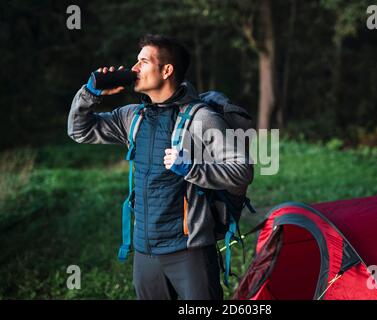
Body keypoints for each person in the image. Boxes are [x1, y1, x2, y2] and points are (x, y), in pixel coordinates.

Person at [67, 34, 253, 300]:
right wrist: (90, 94)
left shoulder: (202, 118)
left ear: (167, 70)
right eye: (136, 61)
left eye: (143, 61)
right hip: (145, 252)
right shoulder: (133, 116)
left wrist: (192, 168)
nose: (133, 69)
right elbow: (79, 131)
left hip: (189, 250)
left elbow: (242, 170)